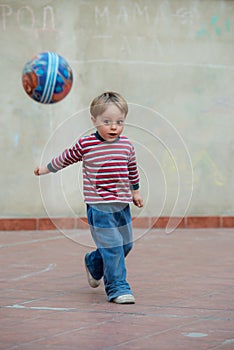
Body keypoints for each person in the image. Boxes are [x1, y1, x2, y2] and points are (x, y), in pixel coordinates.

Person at [34, 91, 143, 304]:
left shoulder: (127, 145)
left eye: (119, 122)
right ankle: (117, 288)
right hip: (99, 207)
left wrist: (135, 191)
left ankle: (94, 263)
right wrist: (45, 169)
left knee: (125, 245)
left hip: (122, 206)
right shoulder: (86, 144)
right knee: (112, 247)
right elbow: (65, 158)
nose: (114, 127)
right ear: (94, 120)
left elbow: (132, 169)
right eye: (107, 121)